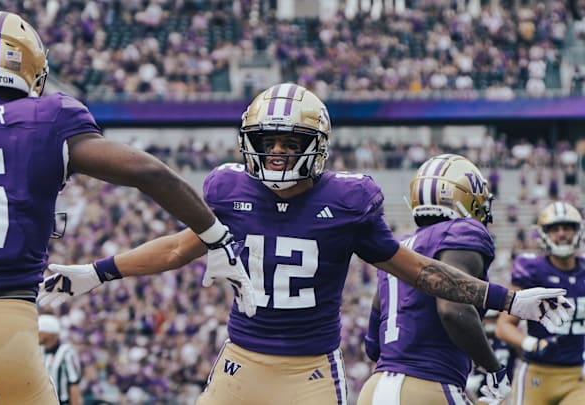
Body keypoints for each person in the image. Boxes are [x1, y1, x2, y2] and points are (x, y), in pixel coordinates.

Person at [39, 83, 573, 404]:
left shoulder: (348, 200)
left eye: (288, 142)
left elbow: (418, 271)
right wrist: (96, 271)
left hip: (310, 370)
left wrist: (506, 299)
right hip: (239, 363)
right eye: (265, 142)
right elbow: (180, 247)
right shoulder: (227, 188)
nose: (274, 153)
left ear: (314, 147)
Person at [0, 11, 255, 405]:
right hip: (11, 328)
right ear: (32, 69)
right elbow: (147, 171)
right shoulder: (50, 118)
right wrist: (215, 235)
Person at [357, 154, 510, 405]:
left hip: (374, 390)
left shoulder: (400, 249)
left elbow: (373, 346)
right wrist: (494, 368)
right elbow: (452, 308)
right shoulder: (463, 232)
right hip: (428, 387)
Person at [495, 201, 585, 405]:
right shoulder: (532, 271)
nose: (562, 234)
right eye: (555, 229)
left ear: (577, 231)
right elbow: (503, 326)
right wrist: (532, 344)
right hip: (537, 373)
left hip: (577, 375)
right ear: (544, 234)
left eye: (567, 228)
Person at [38, 315, 82, 405]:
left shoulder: (66, 352)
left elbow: (74, 384)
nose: (37, 334)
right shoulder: (40, 351)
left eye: (39, 332)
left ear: (50, 334)